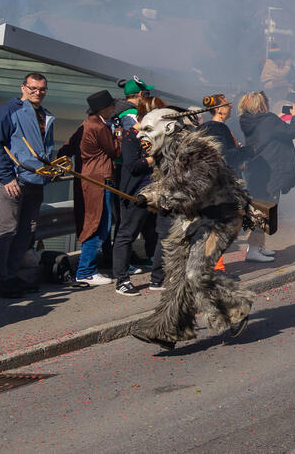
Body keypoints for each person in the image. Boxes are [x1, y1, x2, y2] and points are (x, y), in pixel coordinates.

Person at [131, 106, 256, 350]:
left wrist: (159, 198)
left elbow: (193, 190)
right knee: (177, 275)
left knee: (195, 274)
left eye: (147, 129)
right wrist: (149, 195)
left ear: (168, 128)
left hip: (219, 218)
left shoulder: (200, 152)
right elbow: (166, 186)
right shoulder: (164, 154)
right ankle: (168, 329)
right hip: (190, 219)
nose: (139, 135)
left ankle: (237, 307)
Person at [0, 72, 55, 298]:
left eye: (42, 89)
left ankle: (10, 276)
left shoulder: (45, 115)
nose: (37, 92)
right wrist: (6, 177)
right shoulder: (8, 111)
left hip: (35, 181)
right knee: (7, 229)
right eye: (33, 88)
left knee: (27, 230)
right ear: (23, 88)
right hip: (13, 181)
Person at [112, 95, 168, 296]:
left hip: (158, 192)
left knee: (163, 233)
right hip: (136, 194)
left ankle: (158, 278)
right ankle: (121, 280)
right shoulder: (131, 136)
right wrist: (153, 159)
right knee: (127, 234)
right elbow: (132, 166)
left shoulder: (155, 136)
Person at [238, 91, 295, 262]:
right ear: (262, 104)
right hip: (271, 171)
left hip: (257, 170)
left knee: (259, 207)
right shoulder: (268, 120)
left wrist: (277, 120)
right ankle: (253, 250)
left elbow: (269, 132)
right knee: (263, 209)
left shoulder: (248, 120)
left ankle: (258, 247)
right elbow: (292, 131)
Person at [66, 90, 121, 286]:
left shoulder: (86, 124)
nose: (114, 108)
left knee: (93, 222)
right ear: (104, 108)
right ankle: (85, 271)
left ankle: (88, 268)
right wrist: (119, 134)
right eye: (112, 105)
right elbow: (115, 151)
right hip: (100, 180)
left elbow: (67, 148)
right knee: (99, 224)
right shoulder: (99, 126)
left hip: (88, 179)